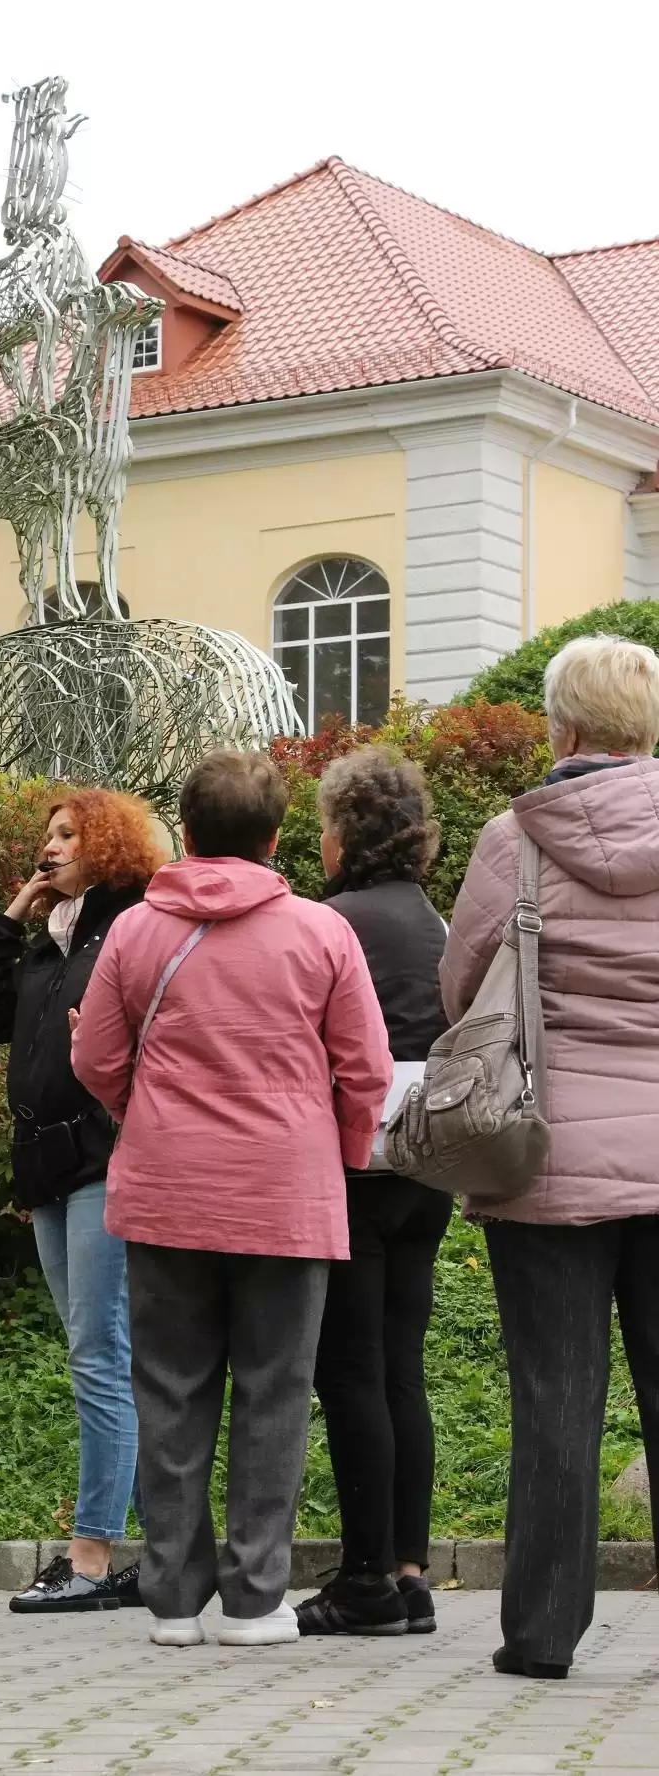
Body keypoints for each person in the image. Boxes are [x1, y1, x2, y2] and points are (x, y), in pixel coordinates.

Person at [72, 749, 391, 1648]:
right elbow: (364, 1067)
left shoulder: (136, 931)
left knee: (169, 1390)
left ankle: (173, 1598)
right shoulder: (322, 933)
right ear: (276, 836)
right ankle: (255, 1600)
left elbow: (93, 1057)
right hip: (288, 1194)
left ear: (187, 830)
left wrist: (146, 1115)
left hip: (167, 1190)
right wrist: (344, 1153)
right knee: (275, 1393)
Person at [441, 633, 659, 1682]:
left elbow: (462, 991)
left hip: (550, 1155)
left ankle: (539, 1635)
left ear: (560, 723)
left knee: (556, 1398)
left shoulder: (511, 840)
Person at [0, 789, 165, 1614]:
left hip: (106, 1157)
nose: (51, 847)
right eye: (46, 835)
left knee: (98, 1352)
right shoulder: (50, 939)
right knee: (103, 1354)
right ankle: (173, 1546)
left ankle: (88, 1555)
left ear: (107, 844)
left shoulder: (131, 926)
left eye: (68, 835)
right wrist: (11, 916)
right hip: (44, 1164)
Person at [294, 748, 451, 1639]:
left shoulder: (328, 921)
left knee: (348, 1370)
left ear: (344, 835)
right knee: (400, 1369)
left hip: (350, 1161)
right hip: (428, 1161)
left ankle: (364, 1583)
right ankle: (410, 1569)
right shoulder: (434, 920)